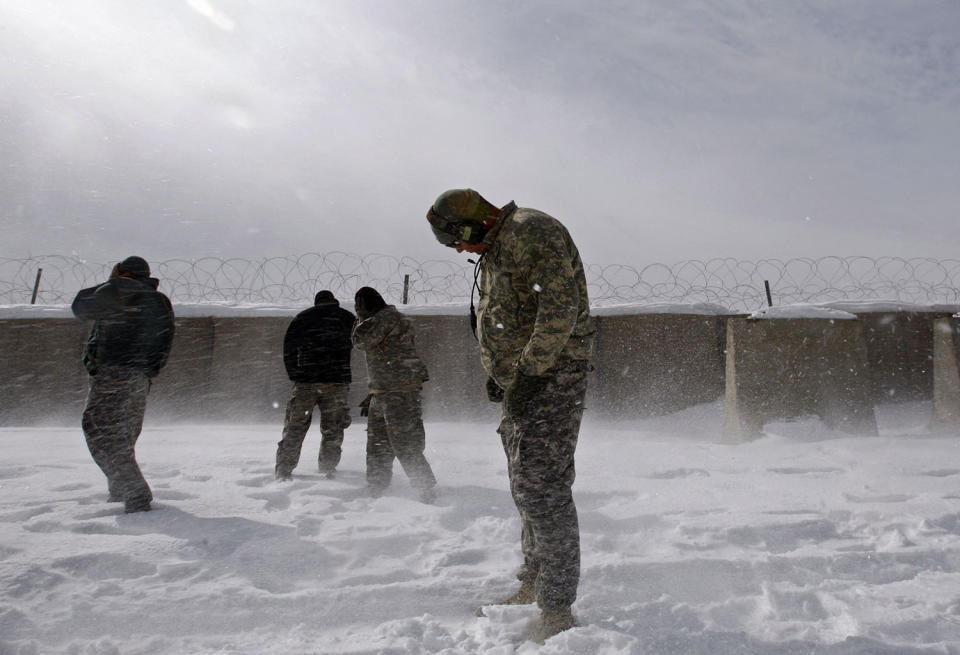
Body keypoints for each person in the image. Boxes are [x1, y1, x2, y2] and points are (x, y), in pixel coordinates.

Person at [426, 189, 595, 641]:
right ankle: (534, 582)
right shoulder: (500, 246)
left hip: (551, 375)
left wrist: (528, 373)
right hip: (527, 379)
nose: (458, 250)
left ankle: (557, 606)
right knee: (526, 485)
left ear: (473, 224)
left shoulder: (529, 231)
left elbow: (560, 309)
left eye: (455, 240)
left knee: (542, 487)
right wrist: (503, 374)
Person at [71, 256, 175, 513]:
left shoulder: (118, 288)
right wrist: (150, 370)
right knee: (125, 433)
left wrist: (111, 281)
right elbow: (165, 338)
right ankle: (120, 488)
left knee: (100, 431)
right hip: (141, 375)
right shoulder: (160, 300)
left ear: (122, 271)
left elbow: (81, 308)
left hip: (114, 372)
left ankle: (134, 491)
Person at [351, 286, 437, 503]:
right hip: (385, 389)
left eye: (358, 307)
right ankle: (377, 489)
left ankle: (425, 489)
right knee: (378, 442)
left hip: (397, 390)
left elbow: (359, 341)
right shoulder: (393, 318)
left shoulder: (384, 319)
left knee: (404, 442)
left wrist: (359, 319)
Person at [275, 290, 356, 480]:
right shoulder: (347, 318)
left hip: (307, 382)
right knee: (333, 428)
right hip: (337, 382)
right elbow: (358, 344)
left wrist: (295, 374)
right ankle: (328, 468)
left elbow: (289, 349)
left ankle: (284, 470)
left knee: (295, 427)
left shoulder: (303, 318)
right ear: (334, 301)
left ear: (316, 302)